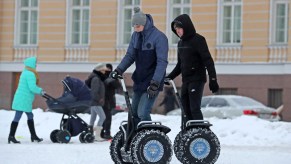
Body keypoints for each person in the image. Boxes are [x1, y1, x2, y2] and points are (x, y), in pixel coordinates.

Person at [110, 7, 168, 127]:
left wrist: (155, 83)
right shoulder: (135, 36)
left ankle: (149, 138)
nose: (135, 29)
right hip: (140, 79)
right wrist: (119, 70)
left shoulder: (159, 37)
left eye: (137, 26)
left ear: (144, 23)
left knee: (143, 112)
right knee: (133, 113)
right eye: (134, 27)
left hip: (152, 81)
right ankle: (135, 139)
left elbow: (162, 62)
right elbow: (130, 56)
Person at [165, 14, 219, 121]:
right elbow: (180, 65)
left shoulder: (198, 40)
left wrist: (213, 80)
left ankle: (200, 132)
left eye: (179, 28)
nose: (178, 31)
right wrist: (169, 77)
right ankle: (186, 133)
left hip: (197, 79)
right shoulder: (180, 43)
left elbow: (208, 61)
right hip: (186, 80)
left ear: (186, 27)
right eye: (176, 29)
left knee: (194, 108)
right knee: (185, 110)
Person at [8, 56, 45, 144]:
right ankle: (11, 136)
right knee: (18, 116)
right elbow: (32, 87)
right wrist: (40, 91)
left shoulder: (25, 72)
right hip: (23, 99)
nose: (36, 65)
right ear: (31, 64)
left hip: (23, 98)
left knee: (29, 115)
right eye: (35, 63)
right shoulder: (30, 74)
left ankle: (33, 136)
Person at [85, 63, 107, 141]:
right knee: (103, 117)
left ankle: (90, 133)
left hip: (94, 102)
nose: (105, 72)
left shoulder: (97, 78)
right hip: (96, 102)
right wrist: (99, 99)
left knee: (93, 118)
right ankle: (97, 136)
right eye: (103, 70)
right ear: (99, 70)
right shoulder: (96, 79)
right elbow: (94, 92)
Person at [101, 63, 121, 139]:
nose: (108, 70)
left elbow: (118, 86)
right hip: (103, 100)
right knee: (105, 117)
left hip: (109, 100)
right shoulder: (102, 76)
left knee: (107, 117)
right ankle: (104, 133)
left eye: (109, 68)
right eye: (107, 68)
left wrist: (112, 80)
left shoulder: (112, 77)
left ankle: (104, 133)